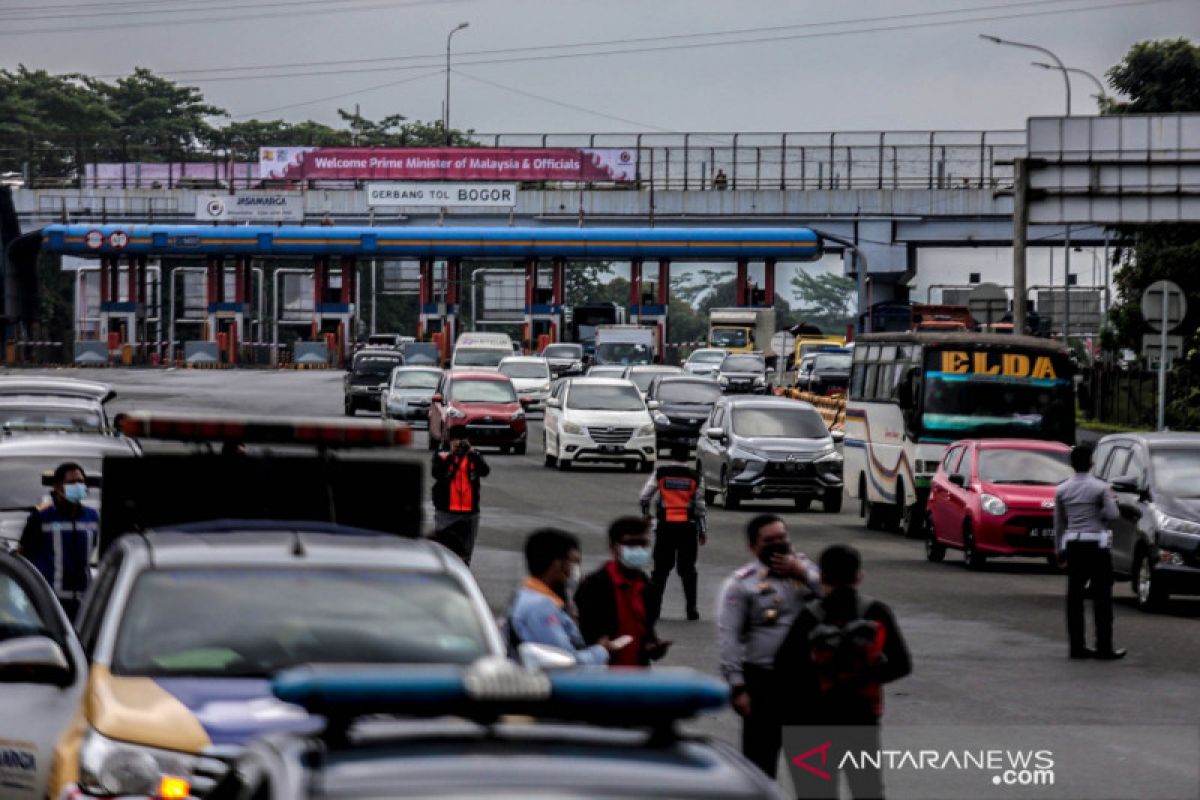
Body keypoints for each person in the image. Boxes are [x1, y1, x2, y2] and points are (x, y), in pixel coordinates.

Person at [775, 544, 911, 800]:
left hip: (811, 720)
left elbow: (785, 666)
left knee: (815, 792)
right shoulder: (875, 612)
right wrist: (866, 677)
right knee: (867, 790)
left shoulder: (809, 617)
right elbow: (902, 664)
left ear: (822, 576)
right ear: (859, 576)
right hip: (861, 718)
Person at [716, 514, 822, 778]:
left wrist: (802, 574)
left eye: (782, 538)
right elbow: (728, 638)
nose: (778, 544)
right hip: (764, 682)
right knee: (760, 767)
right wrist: (737, 687)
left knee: (814, 769)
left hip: (806, 682)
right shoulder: (741, 584)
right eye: (769, 541)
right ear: (753, 547)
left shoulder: (808, 572)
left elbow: (838, 596)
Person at [509, 528, 623, 666]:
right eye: (574, 563)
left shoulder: (528, 596)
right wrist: (601, 651)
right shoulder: (540, 607)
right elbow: (566, 660)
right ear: (557, 564)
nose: (577, 571)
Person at [1054, 444, 1125, 660]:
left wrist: (1059, 550)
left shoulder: (1062, 489)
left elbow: (1059, 523)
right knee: (1102, 596)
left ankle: (1077, 647)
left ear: (1072, 465)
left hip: (1074, 545)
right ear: (1092, 462)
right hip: (1096, 545)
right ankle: (1104, 647)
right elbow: (1113, 513)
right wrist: (1100, 512)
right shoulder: (1101, 488)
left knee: (1074, 598)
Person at [575, 516, 671, 667]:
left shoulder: (648, 588)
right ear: (613, 547)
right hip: (600, 678)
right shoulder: (593, 586)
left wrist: (653, 646)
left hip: (637, 679)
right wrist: (599, 644)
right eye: (631, 544)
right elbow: (579, 634)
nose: (638, 550)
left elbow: (647, 630)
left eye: (643, 544)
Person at [17, 462, 99, 621]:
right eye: (72, 483)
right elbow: (22, 558)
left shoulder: (92, 517)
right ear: (57, 487)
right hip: (51, 604)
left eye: (81, 481)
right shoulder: (41, 517)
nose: (78, 485)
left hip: (83, 603)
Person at [640, 446, 707, 620]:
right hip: (687, 527)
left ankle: (655, 609)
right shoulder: (695, 476)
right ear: (688, 458)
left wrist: (647, 515)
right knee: (687, 569)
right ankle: (691, 609)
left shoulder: (661, 473)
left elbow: (644, 496)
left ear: (671, 456)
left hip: (665, 527)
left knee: (660, 570)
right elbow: (700, 507)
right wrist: (703, 530)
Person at [430, 426, 490, 565]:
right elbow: (437, 474)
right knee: (443, 550)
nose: (458, 443)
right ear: (449, 440)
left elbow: (485, 471)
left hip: (469, 512)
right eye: (455, 439)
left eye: (462, 440)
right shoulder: (441, 455)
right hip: (446, 511)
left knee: (465, 554)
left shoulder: (474, 455)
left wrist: (472, 453)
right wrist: (452, 456)